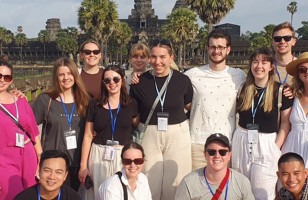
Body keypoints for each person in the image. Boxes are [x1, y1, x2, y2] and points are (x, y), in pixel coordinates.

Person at [130, 39, 193, 200]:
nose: (157, 62)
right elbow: (134, 114)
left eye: (162, 57)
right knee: (150, 178)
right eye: (153, 57)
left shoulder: (182, 80)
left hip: (177, 133)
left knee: (177, 180)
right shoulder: (140, 82)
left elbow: (190, 107)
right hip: (149, 132)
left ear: (171, 57)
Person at [232, 47, 293, 200]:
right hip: (242, 140)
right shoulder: (242, 89)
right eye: (255, 62)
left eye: (264, 62)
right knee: (240, 190)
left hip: (267, 144)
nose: (259, 66)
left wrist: (275, 148)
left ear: (271, 66)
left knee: (262, 193)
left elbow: (285, 123)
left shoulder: (281, 91)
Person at [184, 29, 247, 171]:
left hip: (226, 143)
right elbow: (170, 82)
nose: (216, 51)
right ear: (207, 49)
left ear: (228, 49)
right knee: (198, 188)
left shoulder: (239, 76)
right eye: (212, 47)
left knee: (223, 190)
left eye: (220, 47)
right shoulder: (193, 75)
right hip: (198, 143)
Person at [79, 66, 138, 200]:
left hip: (123, 155)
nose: (112, 83)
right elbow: (88, 136)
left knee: (123, 193)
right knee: (99, 193)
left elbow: (136, 123)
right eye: (107, 80)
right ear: (103, 83)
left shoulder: (131, 104)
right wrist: (83, 166)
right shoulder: (95, 105)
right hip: (99, 154)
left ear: (122, 81)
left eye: (116, 79)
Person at [32, 57, 90, 191]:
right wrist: (40, 155)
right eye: (61, 74)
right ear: (56, 76)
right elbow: (31, 128)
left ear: (75, 75)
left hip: (77, 162)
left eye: (69, 73)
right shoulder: (46, 100)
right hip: (53, 163)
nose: (66, 78)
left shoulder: (85, 101)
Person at [0, 59, 42, 200]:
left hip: (28, 153)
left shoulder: (20, 99)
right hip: (4, 158)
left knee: (32, 194)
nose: (2, 80)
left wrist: (40, 157)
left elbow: (34, 131)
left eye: (7, 77)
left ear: (11, 80)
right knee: (12, 194)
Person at [175, 133, 255, 200]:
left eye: (222, 152)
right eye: (212, 152)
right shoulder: (188, 183)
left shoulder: (242, 182)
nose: (217, 156)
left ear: (229, 155)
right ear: (205, 154)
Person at [14, 150, 81, 200]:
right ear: (39, 171)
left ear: (65, 176)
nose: (52, 177)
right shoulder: (23, 197)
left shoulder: (73, 197)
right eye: (47, 170)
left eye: (58, 172)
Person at [282, 52, 308, 167]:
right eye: (303, 69)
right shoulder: (292, 96)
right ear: (298, 74)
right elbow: (284, 125)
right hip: (292, 148)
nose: (307, 72)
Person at [272, 22, 297, 86]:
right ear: (272, 42)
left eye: (287, 38)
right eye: (277, 39)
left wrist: (295, 91)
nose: (282, 42)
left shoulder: (301, 67)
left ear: (294, 41)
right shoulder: (265, 67)